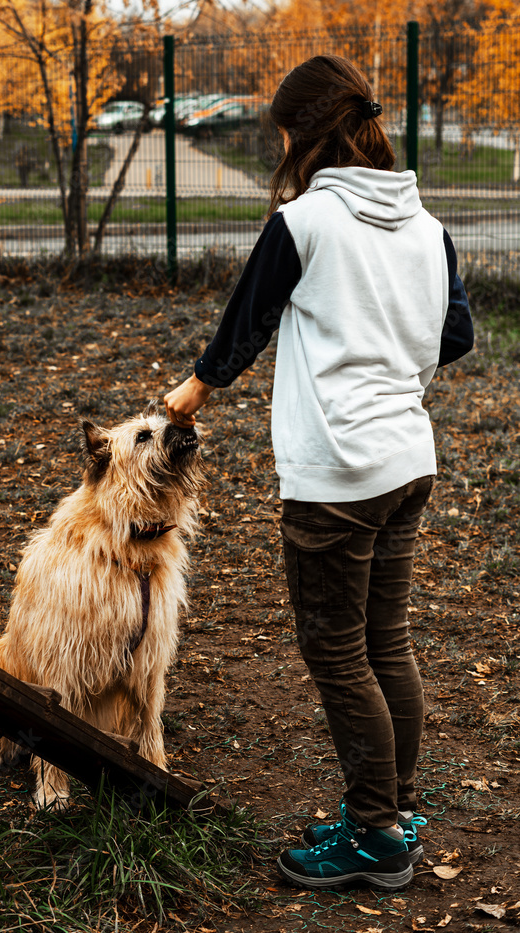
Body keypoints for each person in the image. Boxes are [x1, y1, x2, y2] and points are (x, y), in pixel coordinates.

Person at [164, 54, 474, 891]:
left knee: (337, 656)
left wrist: (184, 399)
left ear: (300, 135)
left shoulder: (302, 224)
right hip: (409, 460)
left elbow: (241, 331)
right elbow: (455, 340)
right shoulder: (425, 227)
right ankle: (392, 812)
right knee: (387, 641)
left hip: (336, 476)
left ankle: (374, 837)